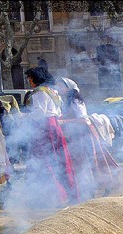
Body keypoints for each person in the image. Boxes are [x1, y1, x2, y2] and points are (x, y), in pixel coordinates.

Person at [22, 66, 77, 206]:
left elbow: (39, 113)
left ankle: (53, 195)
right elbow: (58, 112)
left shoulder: (39, 93)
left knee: (44, 160)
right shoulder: (52, 91)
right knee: (61, 160)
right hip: (54, 126)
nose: (29, 80)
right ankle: (68, 192)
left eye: (30, 77)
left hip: (43, 128)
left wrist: (24, 117)